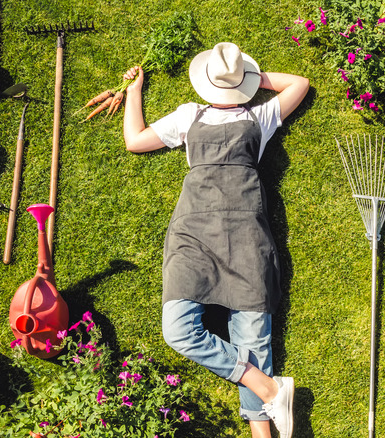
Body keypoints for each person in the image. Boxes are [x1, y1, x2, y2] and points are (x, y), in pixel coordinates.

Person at [122, 42, 309, 438]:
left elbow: (301, 83)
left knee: (253, 337)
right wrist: (134, 92)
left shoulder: (261, 116)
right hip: (194, 234)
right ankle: (264, 385)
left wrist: (246, 80)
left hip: (245, 235)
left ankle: (262, 430)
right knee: (177, 331)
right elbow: (135, 140)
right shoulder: (190, 116)